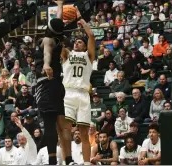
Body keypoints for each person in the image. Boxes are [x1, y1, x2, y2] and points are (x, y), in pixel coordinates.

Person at [34, 0, 69, 165]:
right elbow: (58, 20)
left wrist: (46, 64)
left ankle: (53, 161)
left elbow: (47, 53)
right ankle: (68, 160)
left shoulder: (48, 39)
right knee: (62, 124)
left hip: (45, 84)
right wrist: (60, 6)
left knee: (49, 125)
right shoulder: (59, 36)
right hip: (57, 84)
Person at [60, 6, 95, 165]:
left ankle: (86, 163)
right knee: (66, 129)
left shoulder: (89, 55)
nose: (76, 43)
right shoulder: (67, 54)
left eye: (80, 42)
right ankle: (68, 162)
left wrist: (80, 18)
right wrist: (61, 22)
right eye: (75, 42)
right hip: (68, 93)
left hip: (83, 94)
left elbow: (91, 35)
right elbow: (57, 39)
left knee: (84, 132)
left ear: (84, 45)